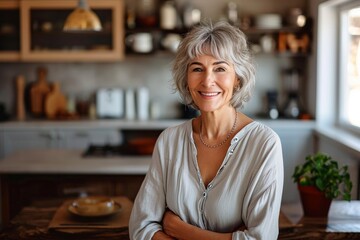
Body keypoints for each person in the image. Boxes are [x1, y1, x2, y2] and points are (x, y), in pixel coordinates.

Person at [129, 21, 284, 240]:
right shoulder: (169, 141)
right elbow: (141, 227)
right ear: (186, 78)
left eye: (220, 68)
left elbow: (261, 238)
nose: (207, 80)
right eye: (197, 69)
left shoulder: (264, 144)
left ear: (237, 79)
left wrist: (184, 232)